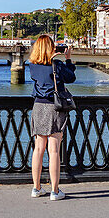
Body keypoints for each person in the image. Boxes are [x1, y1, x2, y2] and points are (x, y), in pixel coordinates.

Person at [27, 34, 75, 201]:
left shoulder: (32, 65)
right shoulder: (57, 65)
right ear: (51, 48)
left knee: (38, 148)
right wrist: (67, 59)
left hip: (38, 107)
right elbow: (71, 78)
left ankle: (36, 188)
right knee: (53, 149)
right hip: (54, 107)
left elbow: (41, 75)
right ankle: (55, 191)